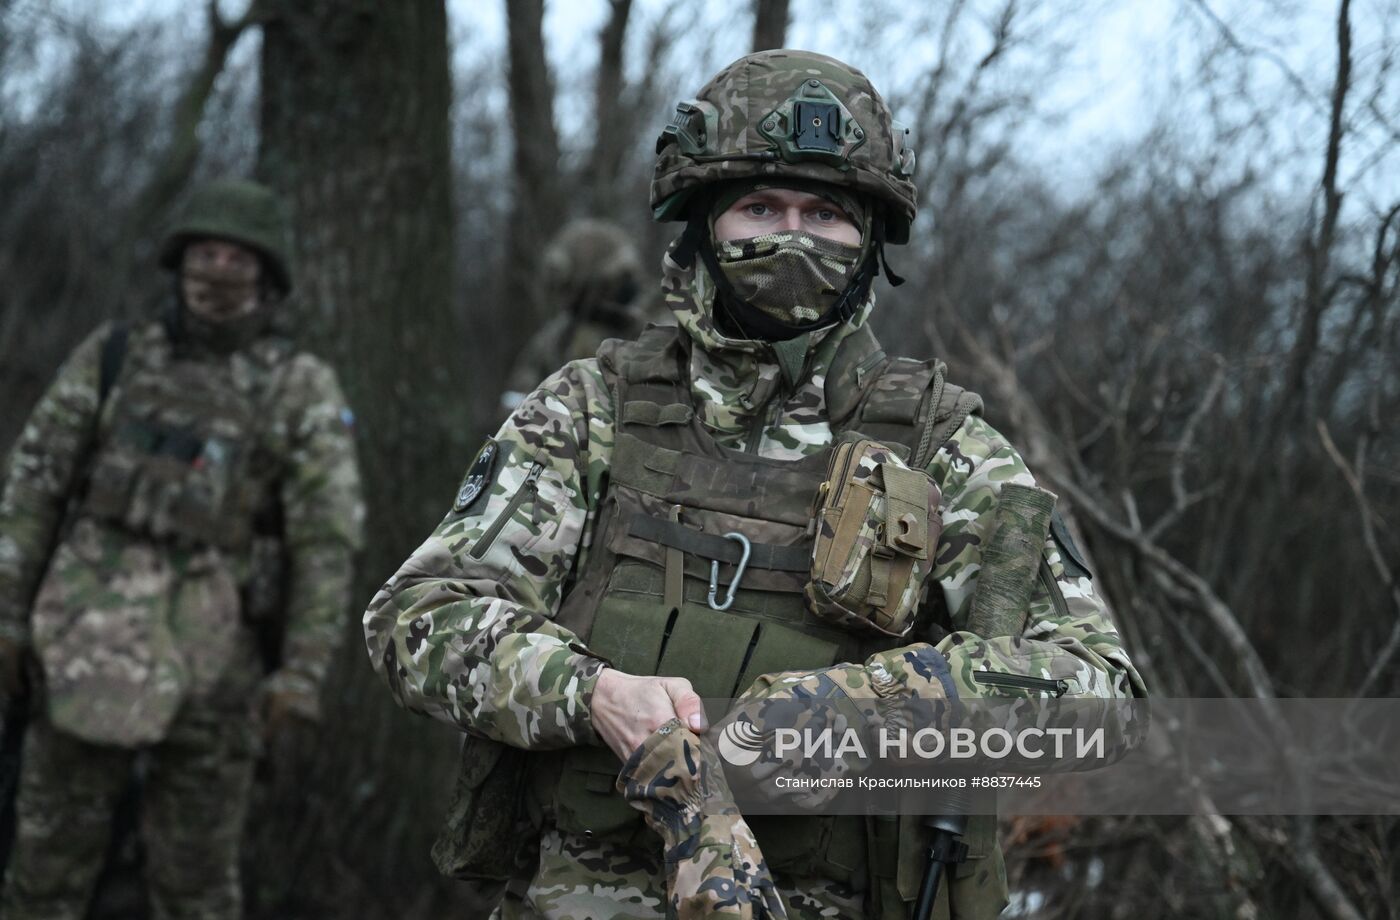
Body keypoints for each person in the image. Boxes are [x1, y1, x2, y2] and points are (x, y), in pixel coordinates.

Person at [365, 50, 1145, 919]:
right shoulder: (592, 410)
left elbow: (1097, 696)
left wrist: (856, 708)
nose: (794, 236)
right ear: (703, 223)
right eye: (760, 207)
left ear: (870, 242)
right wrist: (592, 694)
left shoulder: (945, 450)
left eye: (826, 213)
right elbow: (419, 617)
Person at [0, 177, 364, 919]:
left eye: (237, 256)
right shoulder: (114, 356)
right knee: (42, 876)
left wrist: (300, 673)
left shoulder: (297, 388)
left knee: (195, 890)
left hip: (217, 672)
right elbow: (33, 487)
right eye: (204, 253)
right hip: (79, 648)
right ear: (178, 261)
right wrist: (6, 617)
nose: (218, 272)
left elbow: (327, 540)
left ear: (268, 275)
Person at [499, 218, 666, 413]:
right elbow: (515, 410)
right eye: (617, 279)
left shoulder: (656, 326)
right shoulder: (556, 340)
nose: (625, 285)